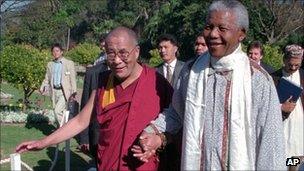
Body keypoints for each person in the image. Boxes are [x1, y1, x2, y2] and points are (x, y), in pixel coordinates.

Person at [132, 0, 286, 170]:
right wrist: (154, 132)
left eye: (222, 28)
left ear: (241, 34)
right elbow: (177, 113)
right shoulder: (191, 71)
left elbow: (270, 145)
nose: (213, 34)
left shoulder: (258, 80)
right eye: (208, 26)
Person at [16, 26, 173, 170]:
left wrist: (160, 139)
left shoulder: (157, 83)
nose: (117, 60)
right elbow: (80, 121)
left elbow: (177, 125)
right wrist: (43, 142)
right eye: (111, 53)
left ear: (137, 51)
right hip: (107, 163)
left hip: (143, 165)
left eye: (123, 53)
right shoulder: (104, 82)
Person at [77, 37, 109, 164]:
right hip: (96, 132)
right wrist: (84, 138)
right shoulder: (92, 73)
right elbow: (85, 105)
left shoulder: (129, 74)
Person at [271, 44, 303, 159]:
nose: (293, 68)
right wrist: (280, 107)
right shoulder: (273, 79)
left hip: (299, 136)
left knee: (294, 163)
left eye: (297, 65)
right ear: (284, 60)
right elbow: (264, 107)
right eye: (290, 65)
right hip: (281, 133)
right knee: (282, 163)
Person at [40, 43, 77, 126]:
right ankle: (61, 131)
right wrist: (42, 86)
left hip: (64, 92)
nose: (55, 53)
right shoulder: (50, 64)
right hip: (54, 92)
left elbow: (72, 79)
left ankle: (64, 130)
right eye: (53, 51)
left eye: (57, 51)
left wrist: (74, 92)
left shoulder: (69, 63)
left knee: (57, 111)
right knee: (57, 111)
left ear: (61, 52)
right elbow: (47, 78)